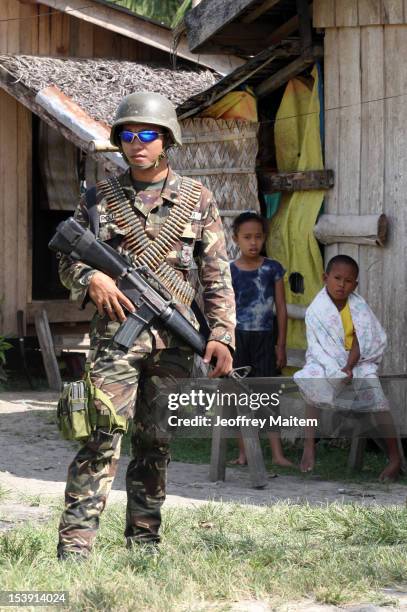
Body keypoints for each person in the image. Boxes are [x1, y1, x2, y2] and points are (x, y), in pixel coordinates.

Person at [56, 92, 236, 560]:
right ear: (119, 142)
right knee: (99, 437)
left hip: (174, 340)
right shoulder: (97, 198)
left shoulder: (197, 200)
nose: (138, 143)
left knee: (155, 444)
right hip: (115, 338)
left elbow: (216, 274)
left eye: (148, 134)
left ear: (166, 141)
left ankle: (143, 544)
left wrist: (220, 337)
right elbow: (66, 258)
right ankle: (75, 551)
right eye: (129, 135)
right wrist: (91, 276)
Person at [294, 254, 401, 480]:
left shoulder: (359, 307)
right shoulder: (316, 310)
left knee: (376, 395)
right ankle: (309, 445)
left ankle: (394, 458)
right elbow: (318, 346)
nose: (342, 285)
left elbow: (365, 339)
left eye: (348, 281)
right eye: (337, 278)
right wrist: (335, 370)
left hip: (357, 360)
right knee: (311, 381)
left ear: (356, 284)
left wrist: (348, 367)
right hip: (324, 360)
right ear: (325, 278)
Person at [229, 211, 294, 468]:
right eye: (247, 237)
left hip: (266, 338)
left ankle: (277, 454)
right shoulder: (229, 271)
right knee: (239, 396)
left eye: (257, 237)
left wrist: (281, 344)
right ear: (236, 239)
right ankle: (244, 453)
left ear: (264, 238)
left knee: (268, 396)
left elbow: (281, 307)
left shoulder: (272, 268)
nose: (253, 242)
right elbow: (223, 309)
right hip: (238, 339)